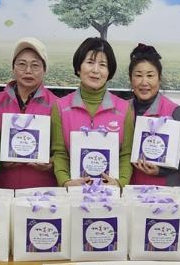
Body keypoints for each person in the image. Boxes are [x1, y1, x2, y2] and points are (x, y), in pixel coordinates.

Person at [0, 37, 57, 265]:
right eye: (22, 64)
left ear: (44, 70)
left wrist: (51, 163)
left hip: (43, 191)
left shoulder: (55, 104)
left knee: (41, 251)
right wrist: (0, 158)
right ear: (13, 68)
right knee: (10, 253)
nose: (28, 71)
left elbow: (62, 149)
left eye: (35, 65)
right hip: (6, 189)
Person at [50, 37, 134, 188]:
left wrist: (119, 183)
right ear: (78, 67)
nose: (95, 70)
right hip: (73, 193)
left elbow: (126, 155)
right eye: (90, 62)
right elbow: (60, 153)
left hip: (111, 195)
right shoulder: (60, 107)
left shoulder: (124, 108)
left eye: (102, 65)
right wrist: (66, 182)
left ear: (109, 71)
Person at [129, 43, 180, 185]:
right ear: (130, 79)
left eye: (150, 75)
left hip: (166, 188)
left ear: (159, 78)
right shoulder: (122, 110)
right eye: (138, 75)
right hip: (130, 188)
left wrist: (161, 170)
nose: (144, 82)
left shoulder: (173, 111)